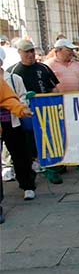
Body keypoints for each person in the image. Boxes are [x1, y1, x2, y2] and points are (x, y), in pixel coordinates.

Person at [7, 40, 61, 184]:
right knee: (29, 142)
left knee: (50, 139)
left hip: (46, 111)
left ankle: (53, 167)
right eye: (26, 52)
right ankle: (31, 169)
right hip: (25, 113)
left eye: (32, 51)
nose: (30, 54)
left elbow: (54, 89)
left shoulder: (43, 68)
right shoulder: (13, 72)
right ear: (19, 52)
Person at [0, 48, 35, 201]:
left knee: (20, 155)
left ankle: (27, 185)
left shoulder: (11, 78)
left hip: (12, 122)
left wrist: (21, 109)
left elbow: (10, 99)